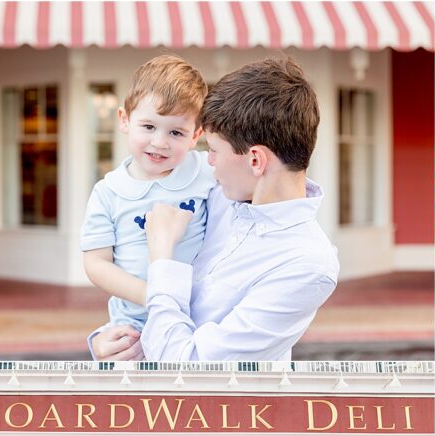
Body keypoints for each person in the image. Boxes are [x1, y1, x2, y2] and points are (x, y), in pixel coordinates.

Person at [90, 57, 339, 362]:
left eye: (213, 150)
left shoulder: (306, 265)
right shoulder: (215, 194)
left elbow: (188, 364)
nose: (206, 162)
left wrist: (162, 256)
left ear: (255, 160)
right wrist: (106, 340)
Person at [81, 55, 214, 334]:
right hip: (134, 321)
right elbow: (96, 263)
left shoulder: (206, 170)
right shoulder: (108, 192)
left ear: (195, 136)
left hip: (198, 315)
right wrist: (152, 295)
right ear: (125, 120)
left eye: (176, 132)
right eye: (149, 127)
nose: (160, 142)